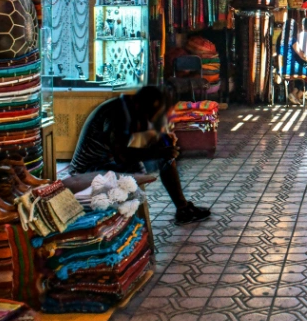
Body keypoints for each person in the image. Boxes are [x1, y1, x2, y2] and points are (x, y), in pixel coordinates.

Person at [69, 87, 211, 226]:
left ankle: (183, 208)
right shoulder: (117, 114)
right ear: (140, 105)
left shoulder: (129, 108)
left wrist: (161, 139)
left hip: (105, 161)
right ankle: (181, 208)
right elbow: (122, 155)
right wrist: (160, 152)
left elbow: (135, 141)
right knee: (159, 158)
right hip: (88, 170)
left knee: (160, 153)